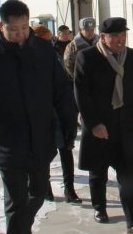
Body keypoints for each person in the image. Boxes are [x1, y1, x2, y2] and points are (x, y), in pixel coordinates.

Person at [0, 0, 78, 234]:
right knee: (16, 203)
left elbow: (60, 91)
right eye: (14, 29)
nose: (20, 34)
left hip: (41, 140)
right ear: (2, 26)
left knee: (39, 192)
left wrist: (68, 124)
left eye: (25, 28)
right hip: (9, 142)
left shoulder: (43, 50)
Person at [74, 17, 133, 234]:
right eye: (115, 36)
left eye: (123, 35)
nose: (120, 40)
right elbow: (81, 94)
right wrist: (93, 124)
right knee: (98, 172)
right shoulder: (87, 57)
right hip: (100, 127)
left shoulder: (132, 56)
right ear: (103, 37)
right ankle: (99, 207)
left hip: (126, 127)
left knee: (130, 175)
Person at [32, 24, 82, 204]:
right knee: (44, 152)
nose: (48, 43)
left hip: (62, 110)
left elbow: (65, 83)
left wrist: (70, 113)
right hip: (43, 113)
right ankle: (46, 188)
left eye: (49, 40)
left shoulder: (55, 55)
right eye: (44, 40)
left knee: (65, 150)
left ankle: (69, 189)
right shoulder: (30, 59)